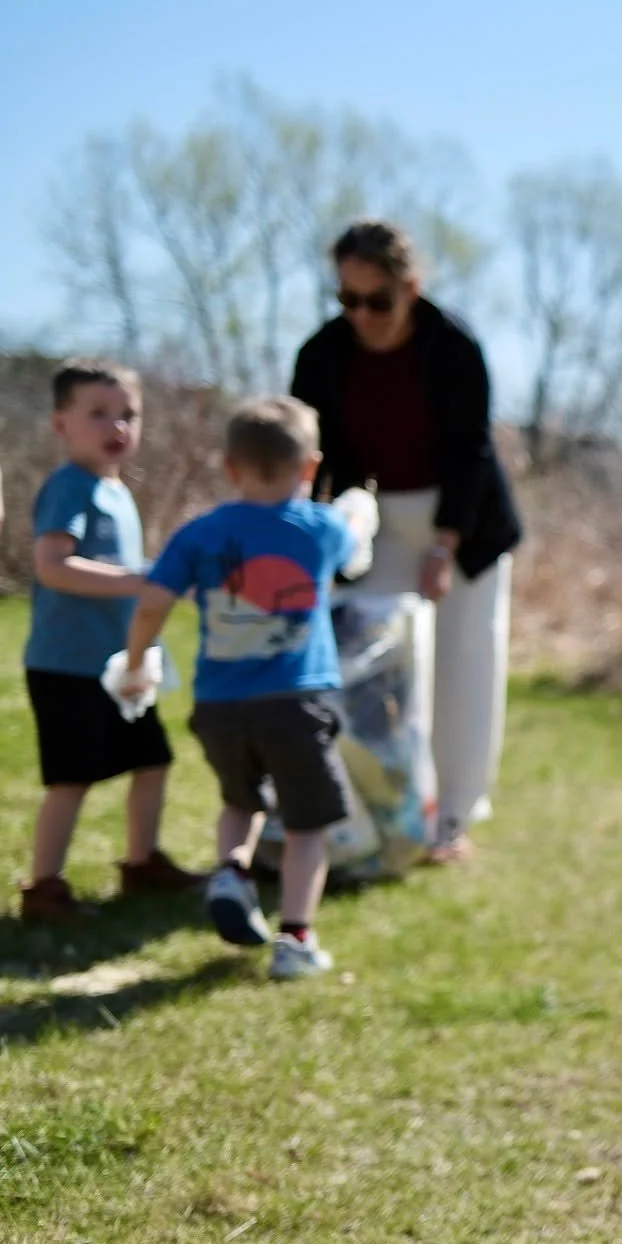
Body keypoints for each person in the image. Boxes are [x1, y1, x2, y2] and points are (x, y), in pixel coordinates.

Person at [289, 219, 522, 863]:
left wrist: (445, 548)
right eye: (347, 300)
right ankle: (387, 810)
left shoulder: (453, 347)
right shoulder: (323, 354)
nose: (363, 315)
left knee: (462, 667)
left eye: (378, 301)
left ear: (411, 288)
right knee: (379, 672)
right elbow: (310, 458)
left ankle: (451, 816)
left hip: (464, 522)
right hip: (371, 525)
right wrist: (308, 537)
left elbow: (472, 450)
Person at [120, 396, 360, 979]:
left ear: (230, 467)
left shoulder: (201, 533)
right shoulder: (321, 528)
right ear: (310, 467)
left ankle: (231, 869)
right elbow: (355, 555)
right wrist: (359, 510)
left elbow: (153, 602)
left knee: (240, 799)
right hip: (296, 703)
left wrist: (133, 663)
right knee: (306, 826)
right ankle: (296, 939)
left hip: (220, 705)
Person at [17, 360, 205, 924]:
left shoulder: (117, 490)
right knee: (71, 778)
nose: (116, 426)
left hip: (119, 666)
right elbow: (53, 567)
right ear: (60, 425)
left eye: (128, 414)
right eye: (98, 413)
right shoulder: (70, 486)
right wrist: (140, 579)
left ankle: (141, 864)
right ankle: (44, 887)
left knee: (153, 761)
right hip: (67, 665)